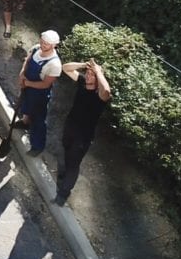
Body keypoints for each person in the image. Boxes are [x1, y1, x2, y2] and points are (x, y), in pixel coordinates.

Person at [55, 58, 111, 204]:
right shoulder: (81, 82)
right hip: (70, 127)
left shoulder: (100, 95)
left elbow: (107, 90)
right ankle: (64, 175)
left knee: (74, 163)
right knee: (66, 152)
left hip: (83, 137)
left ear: (98, 78)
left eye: (92, 75)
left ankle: (63, 193)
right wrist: (83, 65)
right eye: (88, 73)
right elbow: (65, 68)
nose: (88, 76)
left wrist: (98, 71)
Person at [14, 30, 62, 155]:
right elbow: (27, 61)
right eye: (42, 41)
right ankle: (25, 123)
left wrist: (27, 83)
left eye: (46, 43)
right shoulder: (36, 49)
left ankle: (37, 146)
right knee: (25, 105)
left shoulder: (55, 64)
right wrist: (22, 74)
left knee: (38, 119)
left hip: (39, 94)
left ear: (53, 45)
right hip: (28, 85)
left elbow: (46, 83)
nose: (42, 44)